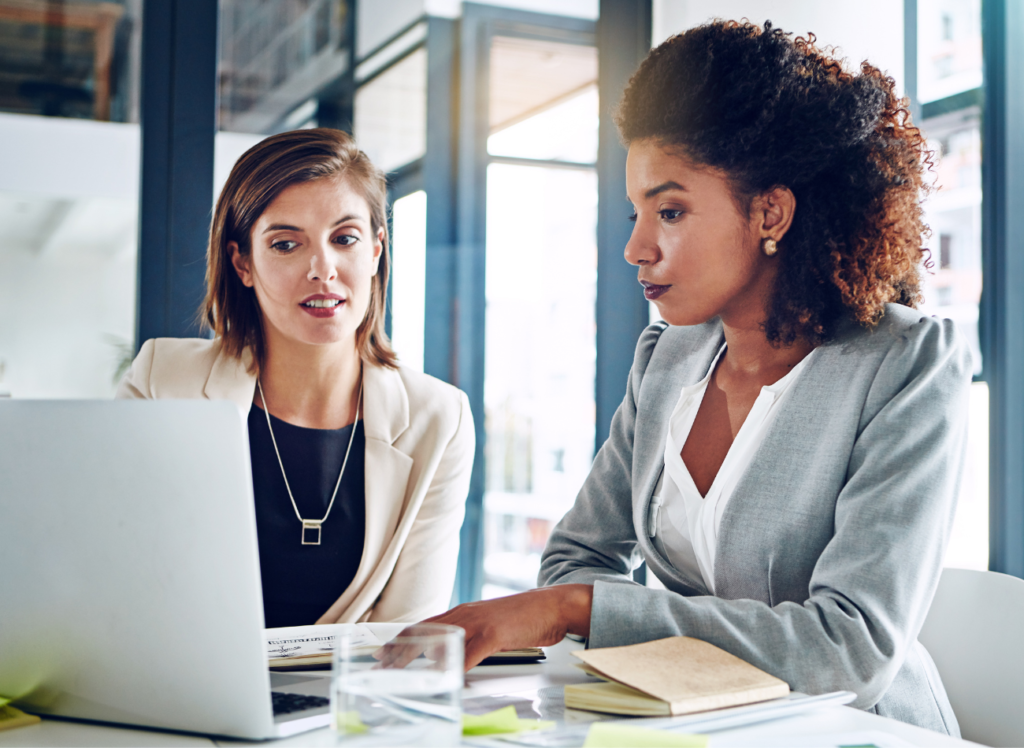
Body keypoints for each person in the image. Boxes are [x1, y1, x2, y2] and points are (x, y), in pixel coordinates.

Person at [420, 21, 969, 735]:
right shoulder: (667, 358)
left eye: (670, 211)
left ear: (770, 211)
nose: (635, 247)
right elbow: (579, 555)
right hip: (687, 728)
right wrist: (620, 638)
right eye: (636, 211)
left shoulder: (906, 365)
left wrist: (581, 610)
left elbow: (849, 648)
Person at [117, 128, 474, 626]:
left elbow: (407, 635)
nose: (322, 269)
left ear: (375, 251)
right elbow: (122, 582)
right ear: (242, 262)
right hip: (184, 692)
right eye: (286, 244)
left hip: (347, 699)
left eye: (344, 239)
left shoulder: (440, 418)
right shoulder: (162, 383)